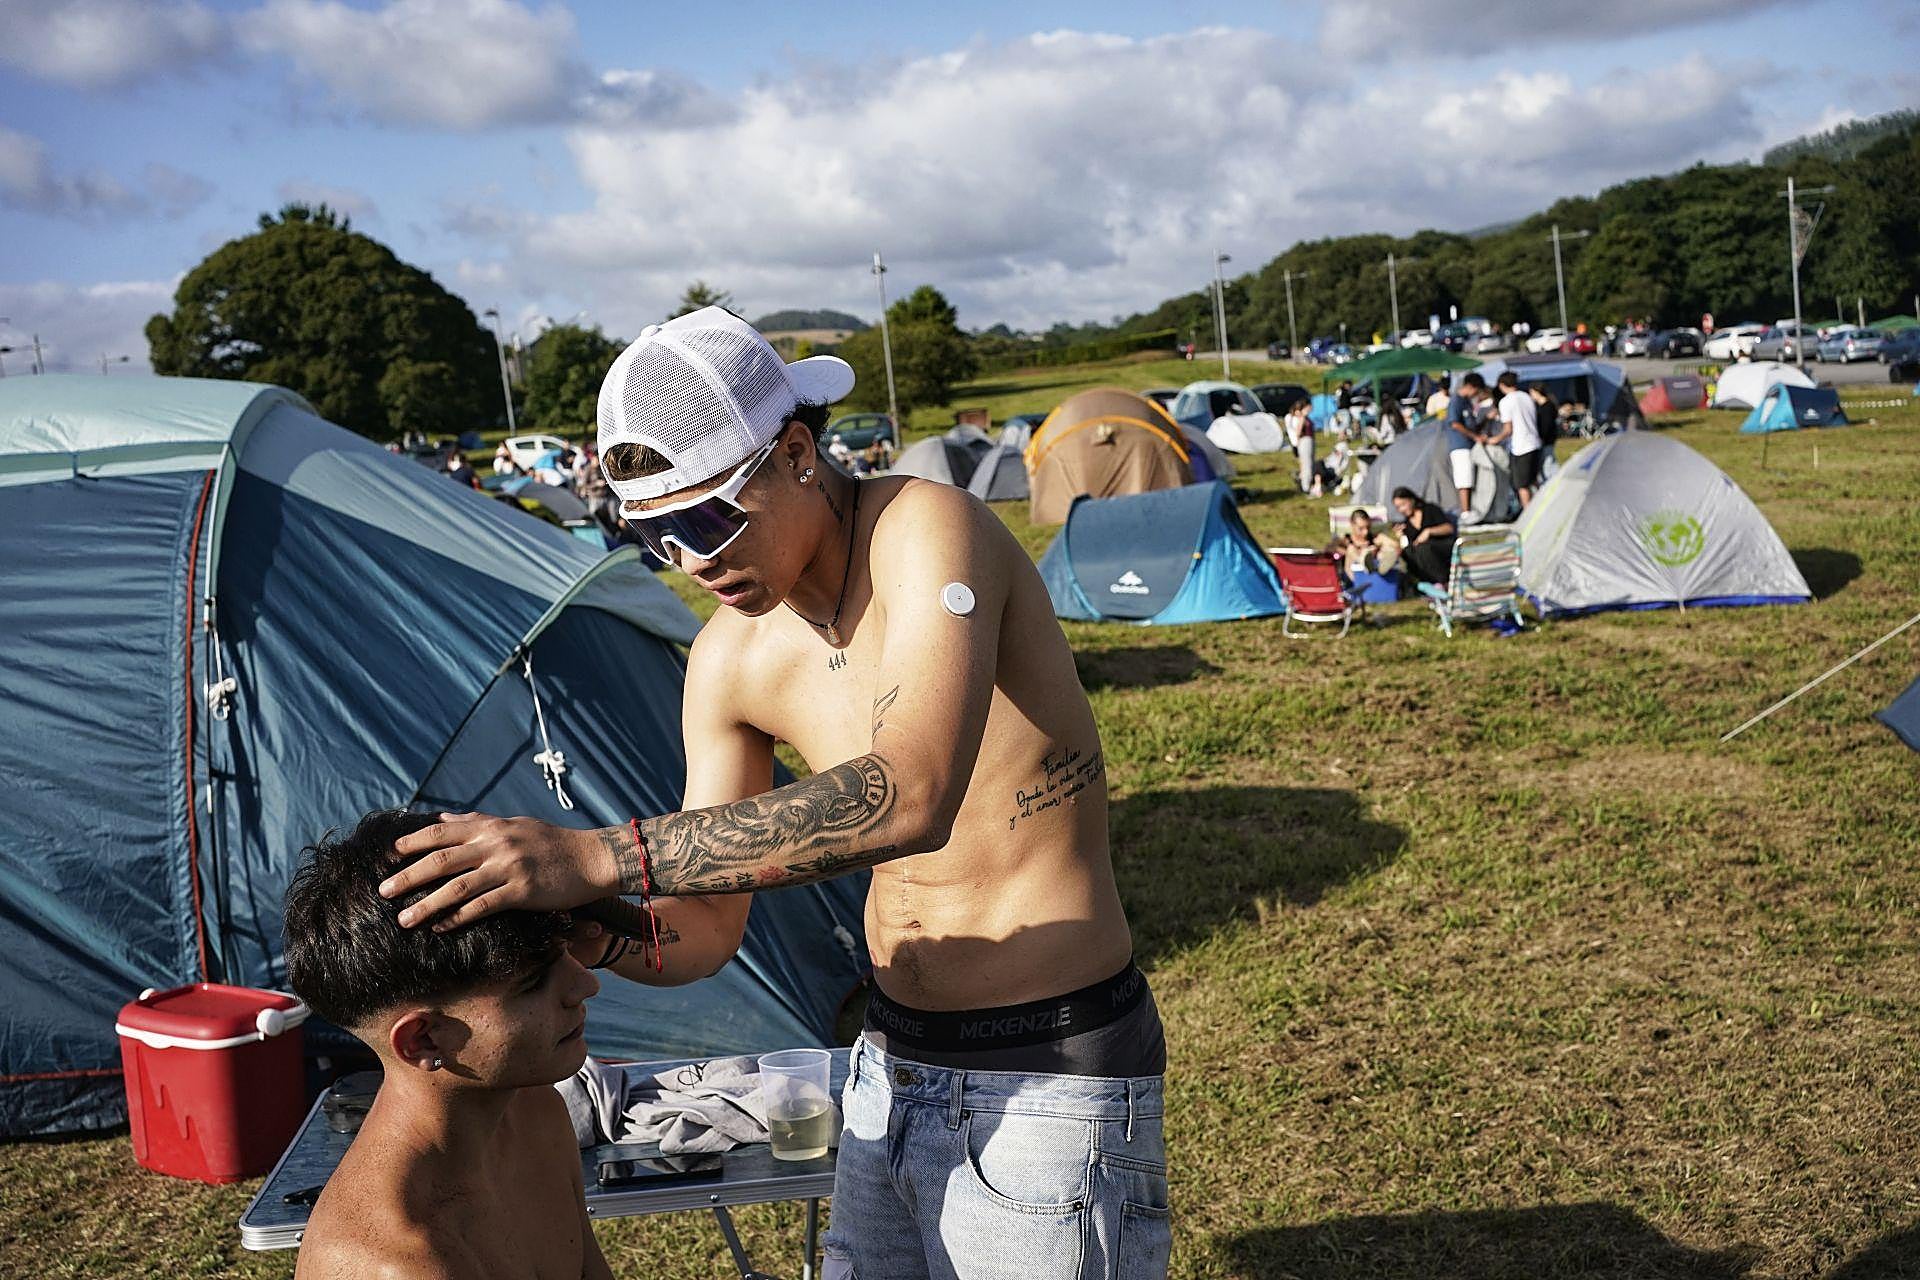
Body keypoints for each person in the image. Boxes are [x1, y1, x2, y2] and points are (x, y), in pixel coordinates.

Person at [377, 306, 1170, 1279]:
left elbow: (914, 795)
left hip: (1047, 1059)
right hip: (888, 1061)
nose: (694, 559)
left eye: (707, 518)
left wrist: (594, 853)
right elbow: (704, 931)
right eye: (657, 537)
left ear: (797, 450)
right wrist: (597, 919)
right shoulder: (729, 657)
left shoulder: (927, 529)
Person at [282, 809, 612, 1280]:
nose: (585, 985)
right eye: (534, 982)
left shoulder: (537, 1114)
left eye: (565, 953)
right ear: (423, 1039)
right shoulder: (398, 1262)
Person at [1482, 372, 1543, 508]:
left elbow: (1508, 429)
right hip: (1535, 442)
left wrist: (1494, 439)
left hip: (1521, 446)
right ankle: (1542, 506)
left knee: (1521, 484)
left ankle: (1528, 513)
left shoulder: (1506, 401)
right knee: (1534, 480)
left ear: (1502, 385)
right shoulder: (1526, 396)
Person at [1444, 372, 1489, 521]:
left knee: (1471, 477)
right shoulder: (1456, 401)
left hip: (1470, 445)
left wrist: (1486, 421)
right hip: (1460, 445)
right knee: (1464, 478)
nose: (1477, 394)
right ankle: (1465, 512)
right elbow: (1455, 423)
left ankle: (1471, 508)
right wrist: (1474, 437)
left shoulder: (1467, 403)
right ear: (1470, 387)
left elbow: (1472, 425)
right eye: (1477, 390)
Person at [1391, 485, 1455, 587]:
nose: (1401, 509)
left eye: (1403, 504)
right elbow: (1411, 547)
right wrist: (1401, 537)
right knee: (1408, 552)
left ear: (1411, 500)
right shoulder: (1406, 525)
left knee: (1423, 549)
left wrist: (1429, 531)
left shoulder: (1430, 509)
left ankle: (1442, 582)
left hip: (1443, 546)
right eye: (1398, 507)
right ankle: (1425, 583)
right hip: (1425, 554)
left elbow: (1448, 528)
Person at [1331, 507, 1399, 578]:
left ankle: (1379, 565)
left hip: (1377, 576)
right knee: (1351, 550)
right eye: (1361, 528)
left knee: (1385, 550)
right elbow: (1330, 550)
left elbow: (1396, 546)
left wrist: (1377, 548)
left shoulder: (1375, 538)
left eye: (1368, 527)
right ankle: (1363, 561)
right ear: (1352, 525)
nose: (1365, 532)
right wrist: (1358, 551)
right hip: (1355, 578)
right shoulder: (1345, 540)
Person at [1284, 397, 1317, 495]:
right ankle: (1305, 486)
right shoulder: (1302, 417)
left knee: (1309, 463)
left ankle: (1307, 484)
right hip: (1305, 441)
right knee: (1306, 464)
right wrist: (1298, 442)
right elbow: (1298, 431)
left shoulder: (1306, 417)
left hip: (1309, 441)